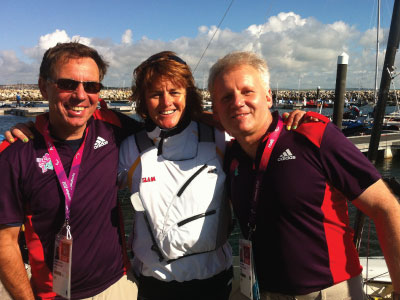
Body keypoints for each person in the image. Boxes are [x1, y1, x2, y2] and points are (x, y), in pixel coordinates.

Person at [208, 51, 400, 300]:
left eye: (247, 91)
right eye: (226, 97)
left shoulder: (313, 136)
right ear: (216, 109)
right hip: (261, 291)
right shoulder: (232, 155)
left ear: (268, 97)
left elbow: (386, 208)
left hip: (328, 292)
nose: (237, 102)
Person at [0, 42, 141, 300]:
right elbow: (4, 243)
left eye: (91, 86)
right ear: (44, 87)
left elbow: (166, 127)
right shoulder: (15, 154)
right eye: (67, 84)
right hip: (53, 295)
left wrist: (216, 121)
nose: (80, 95)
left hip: (119, 285)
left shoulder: (113, 128)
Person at [118, 51, 234, 300]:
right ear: (143, 100)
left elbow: (263, 138)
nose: (165, 102)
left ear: (188, 95)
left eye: (174, 92)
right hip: (155, 284)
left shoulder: (220, 138)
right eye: (155, 94)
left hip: (214, 281)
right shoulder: (130, 148)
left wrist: (294, 121)